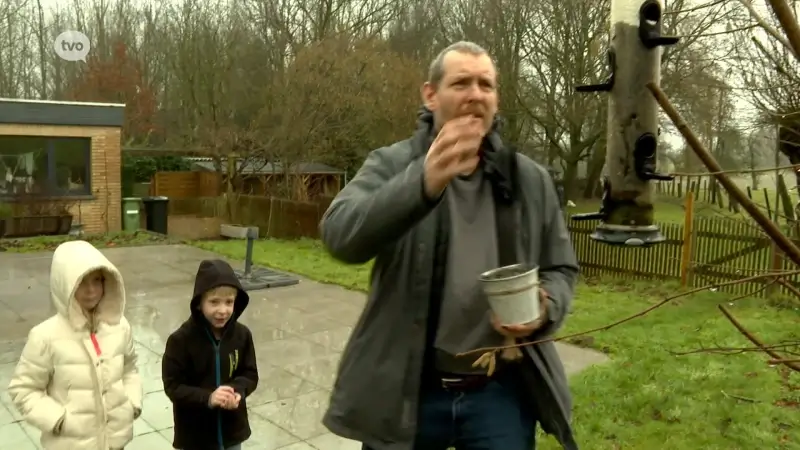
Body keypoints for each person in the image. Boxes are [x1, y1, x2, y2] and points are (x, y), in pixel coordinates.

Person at [319, 41, 580, 450]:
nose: (475, 94)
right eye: (461, 83)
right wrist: (422, 183)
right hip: (410, 390)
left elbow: (562, 269)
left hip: (501, 390)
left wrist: (546, 306)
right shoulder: (392, 164)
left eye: (486, 85)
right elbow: (339, 237)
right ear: (430, 94)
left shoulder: (529, 179)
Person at [8, 240, 142, 450]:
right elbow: (23, 389)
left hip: (116, 443)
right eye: (82, 282)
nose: (91, 290)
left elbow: (130, 368)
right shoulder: (45, 336)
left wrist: (131, 403)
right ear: (65, 284)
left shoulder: (119, 326)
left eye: (97, 280)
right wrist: (58, 420)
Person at [162, 259, 258, 450]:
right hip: (197, 436)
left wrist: (237, 391)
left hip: (232, 432)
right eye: (214, 302)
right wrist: (208, 398)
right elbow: (173, 386)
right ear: (199, 303)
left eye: (229, 302)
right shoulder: (180, 341)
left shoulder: (242, 335)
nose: (222, 310)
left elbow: (250, 374)